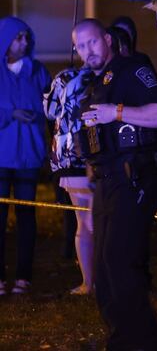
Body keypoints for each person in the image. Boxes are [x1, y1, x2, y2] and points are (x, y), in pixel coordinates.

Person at [73, 19, 157, 350]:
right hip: (106, 183)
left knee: (121, 264)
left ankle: (145, 343)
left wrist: (115, 112)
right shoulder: (94, 84)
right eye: (79, 46)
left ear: (107, 40)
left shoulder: (133, 69)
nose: (86, 51)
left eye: (91, 43)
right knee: (103, 272)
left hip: (133, 179)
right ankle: (122, 340)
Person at [0, 16, 51, 296]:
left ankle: (23, 276)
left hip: (28, 156)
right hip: (1, 156)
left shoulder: (38, 72)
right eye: (18, 37)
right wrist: (10, 114)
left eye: (26, 37)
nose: (25, 42)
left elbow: (52, 105)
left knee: (26, 215)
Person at [44, 54, 95, 295]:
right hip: (80, 156)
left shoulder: (65, 77)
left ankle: (90, 281)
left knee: (84, 222)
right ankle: (92, 282)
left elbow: (49, 109)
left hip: (70, 157)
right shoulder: (94, 77)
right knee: (90, 222)